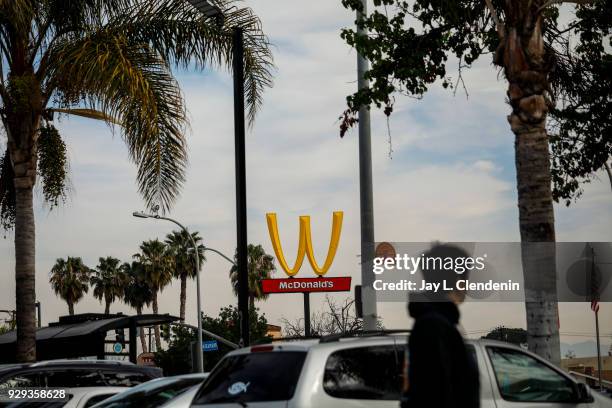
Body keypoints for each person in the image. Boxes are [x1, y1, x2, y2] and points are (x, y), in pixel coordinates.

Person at [401, 244, 480, 408]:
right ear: (457, 278)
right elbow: (435, 394)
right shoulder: (434, 326)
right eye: (466, 277)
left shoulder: (439, 322)